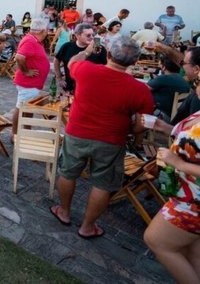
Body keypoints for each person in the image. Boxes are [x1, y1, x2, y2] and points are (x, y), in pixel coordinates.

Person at [51, 37, 154, 238]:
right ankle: (87, 227)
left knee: (68, 172)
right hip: (111, 139)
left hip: (77, 133)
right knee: (102, 183)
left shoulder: (86, 70)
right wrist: (131, 130)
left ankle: (64, 211)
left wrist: (88, 51)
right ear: (135, 62)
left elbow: (72, 61)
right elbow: (144, 123)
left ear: (107, 55)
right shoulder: (140, 89)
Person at [143, 89, 200, 284]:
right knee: (192, 252)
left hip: (193, 203)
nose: (196, 86)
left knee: (155, 239)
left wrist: (179, 164)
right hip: (185, 193)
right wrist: (164, 127)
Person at [11, 18, 50, 137]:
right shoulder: (30, 41)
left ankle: (26, 131)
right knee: (21, 107)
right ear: (42, 30)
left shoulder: (33, 40)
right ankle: (15, 134)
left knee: (28, 108)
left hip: (32, 83)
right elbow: (19, 57)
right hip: (28, 82)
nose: (47, 32)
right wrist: (26, 71)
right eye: (46, 30)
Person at [54, 23, 107, 93]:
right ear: (77, 35)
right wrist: (59, 78)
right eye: (88, 35)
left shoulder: (99, 48)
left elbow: (106, 67)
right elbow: (57, 60)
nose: (91, 37)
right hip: (70, 87)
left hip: (91, 89)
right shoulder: (67, 46)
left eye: (93, 35)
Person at [148, 56, 190, 121]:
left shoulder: (164, 78)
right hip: (176, 116)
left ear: (164, 67)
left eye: (160, 65)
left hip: (162, 114)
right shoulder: (180, 78)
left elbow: (144, 89)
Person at [171, 47, 200, 124]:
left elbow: (191, 133)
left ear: (196, 69)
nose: (182, 68)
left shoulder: (197, 98)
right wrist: (161, 126)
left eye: (183, 63)